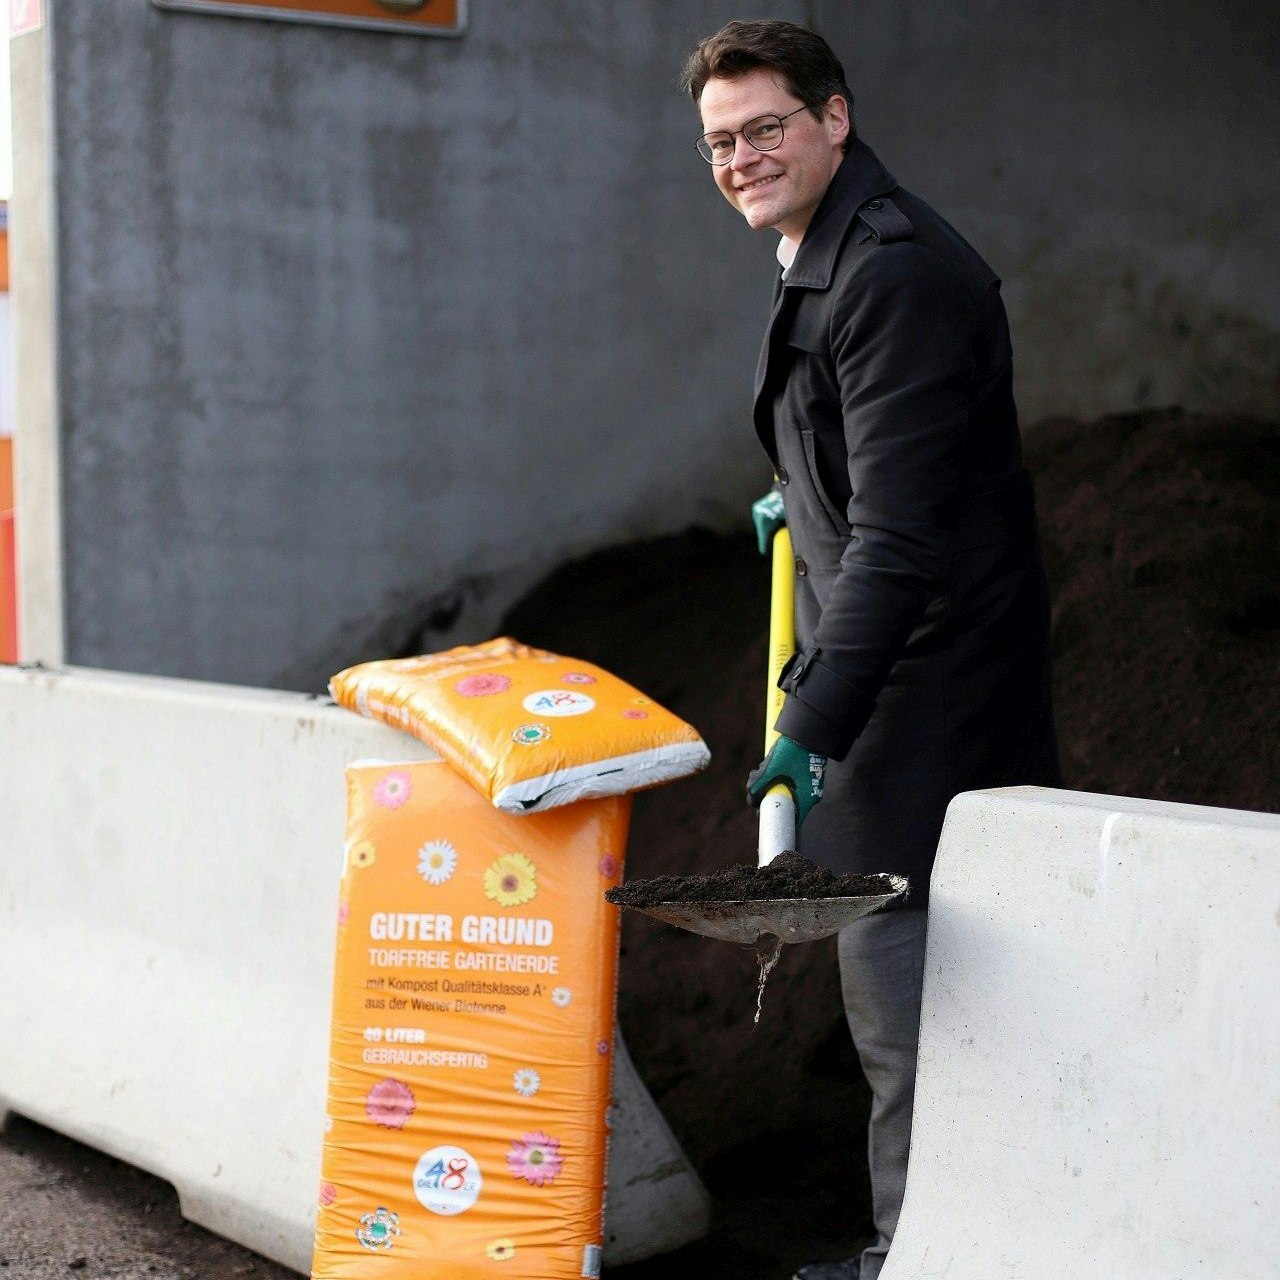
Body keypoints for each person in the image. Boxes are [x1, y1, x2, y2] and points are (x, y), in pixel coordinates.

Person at [681, 20, 1061, 1280]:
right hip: (890, 655)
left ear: (833, 118)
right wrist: (800, 485)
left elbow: (901, 545)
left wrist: (810, 729)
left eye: (764, 128)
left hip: (928, 679)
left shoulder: (890, 270)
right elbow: (873, 448)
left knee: (905, 993)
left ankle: (922, 1254)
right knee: (900, 986)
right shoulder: (823, 247)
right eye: (719, 141)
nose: (740, 157)